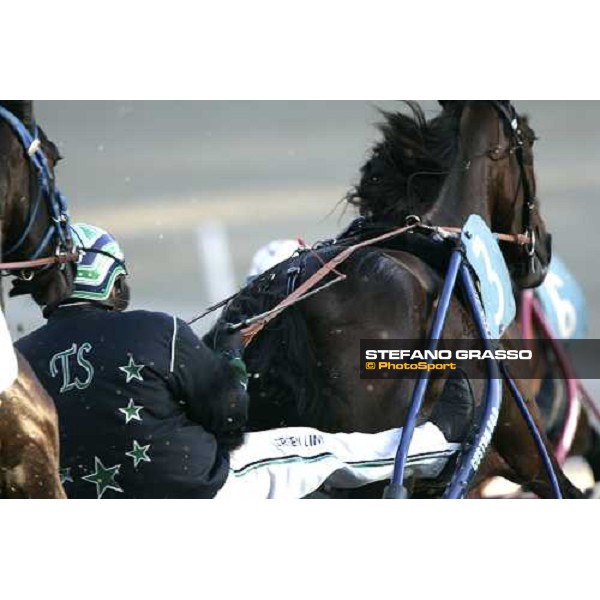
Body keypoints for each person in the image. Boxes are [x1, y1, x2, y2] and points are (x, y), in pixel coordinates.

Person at [15, 223, 471, 499]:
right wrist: (231, 357)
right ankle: (439, 446)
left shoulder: (20, 362)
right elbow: (231, 418)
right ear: (113, 283)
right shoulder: (157, 329)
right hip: (202, 490)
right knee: (318, 450)